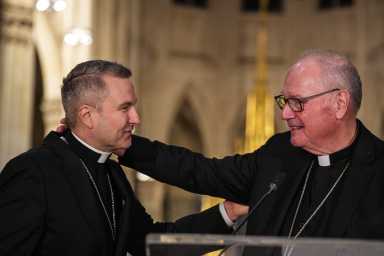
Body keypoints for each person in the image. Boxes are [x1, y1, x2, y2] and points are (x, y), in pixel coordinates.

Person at [120, 49, 384, 240]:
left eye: (297, 103)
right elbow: (200, 171)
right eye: (285, 101)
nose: (286, 114)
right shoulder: (279, 154)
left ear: (339, 104)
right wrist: (126, 146)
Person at [0, 60, 247, 256]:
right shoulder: (32, 172)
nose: (136, 118)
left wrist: (228, 212)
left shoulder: (111, 172)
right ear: (87, 116)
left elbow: (151, 242)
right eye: (124, 108)